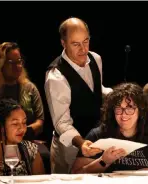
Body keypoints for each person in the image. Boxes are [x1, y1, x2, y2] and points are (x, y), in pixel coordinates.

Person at [45, 17, 112, 173]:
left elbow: (95, 89)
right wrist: (81, 143)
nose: (83, 49)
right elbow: (62, 122)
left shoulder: (96, 59)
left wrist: (118, 94)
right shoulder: (56, 76)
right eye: (76, 44)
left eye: (86, 41)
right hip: (69, 149)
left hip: (95, 140)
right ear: (63, 43)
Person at [0, 42, 50, 173]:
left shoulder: (29, 88)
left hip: (26, 141)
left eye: (19, 61)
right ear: (0, 64)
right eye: (12, 62)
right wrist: (12, 136)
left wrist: (21, 132)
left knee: (44, 154)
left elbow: (40, 121)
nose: (18, 66)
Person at [71, 83, 148, 173]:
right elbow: (76, 173)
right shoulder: (98, 135)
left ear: (141, 111)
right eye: (118, 109)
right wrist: (103, 161)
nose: (123, 115)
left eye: (130, 108)